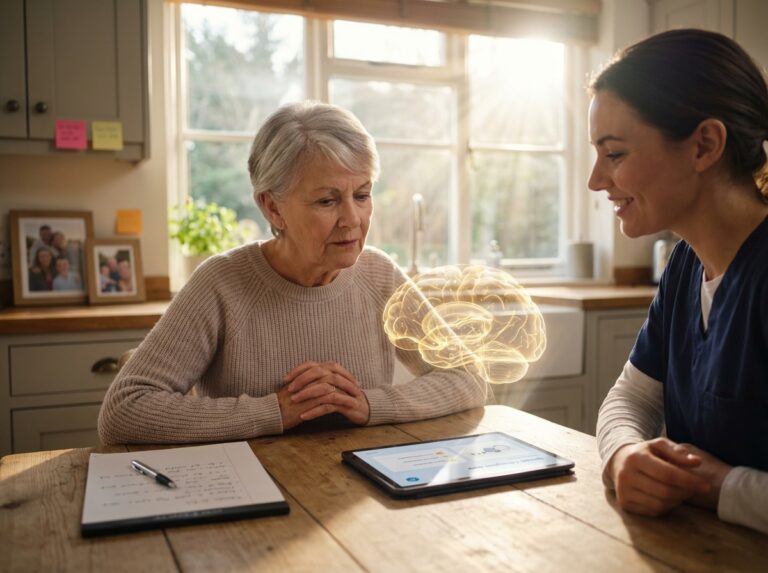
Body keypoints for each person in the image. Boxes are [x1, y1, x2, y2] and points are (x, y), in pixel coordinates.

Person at [98, 101, 489, 445]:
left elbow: (469, 377)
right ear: (273, 208)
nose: (352, 219)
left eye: (362, 195)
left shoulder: (379, 275)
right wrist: (276, 412)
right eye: (327, 200)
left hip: (360, 497)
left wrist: (370, 404)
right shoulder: (220, 283)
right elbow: (124, 410)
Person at [589, 29, 768, 534]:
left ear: (704, 145)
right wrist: (624, 455)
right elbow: (631, 399)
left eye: (615, 154)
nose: (596, 180)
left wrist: (718, 486)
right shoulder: (685, 264)